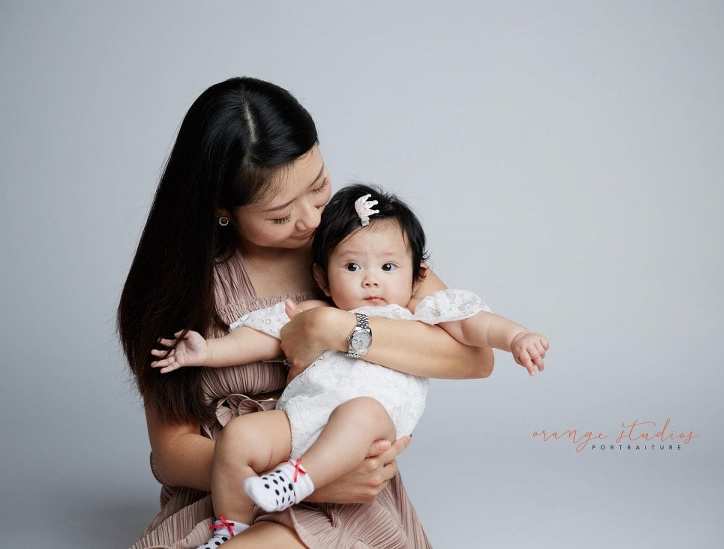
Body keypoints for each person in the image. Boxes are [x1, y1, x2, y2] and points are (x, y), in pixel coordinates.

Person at [118, 76, 524, 548]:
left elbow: (473, 358)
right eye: (279, 215)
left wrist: (337, 326)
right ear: (222, 210)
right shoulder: (175, 287)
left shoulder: (358, 245)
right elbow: (170, 452)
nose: (310, 220)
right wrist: (283, 478)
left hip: (344, 474)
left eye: (318, 187)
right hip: (227, 483)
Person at [149, 184, 550, 548]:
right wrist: (206, 353)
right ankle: (229, 528)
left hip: (365, 431)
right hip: (299, 421)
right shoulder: (311, 311)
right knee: (238, 436)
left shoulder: (417, 310)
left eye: (388, 268)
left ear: (417, 275)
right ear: (323, 279)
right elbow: (259, 337)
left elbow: (473, 324)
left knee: (360, 413)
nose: (371, 280)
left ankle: (297, 479)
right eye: (353, 268)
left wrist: (516, 337)